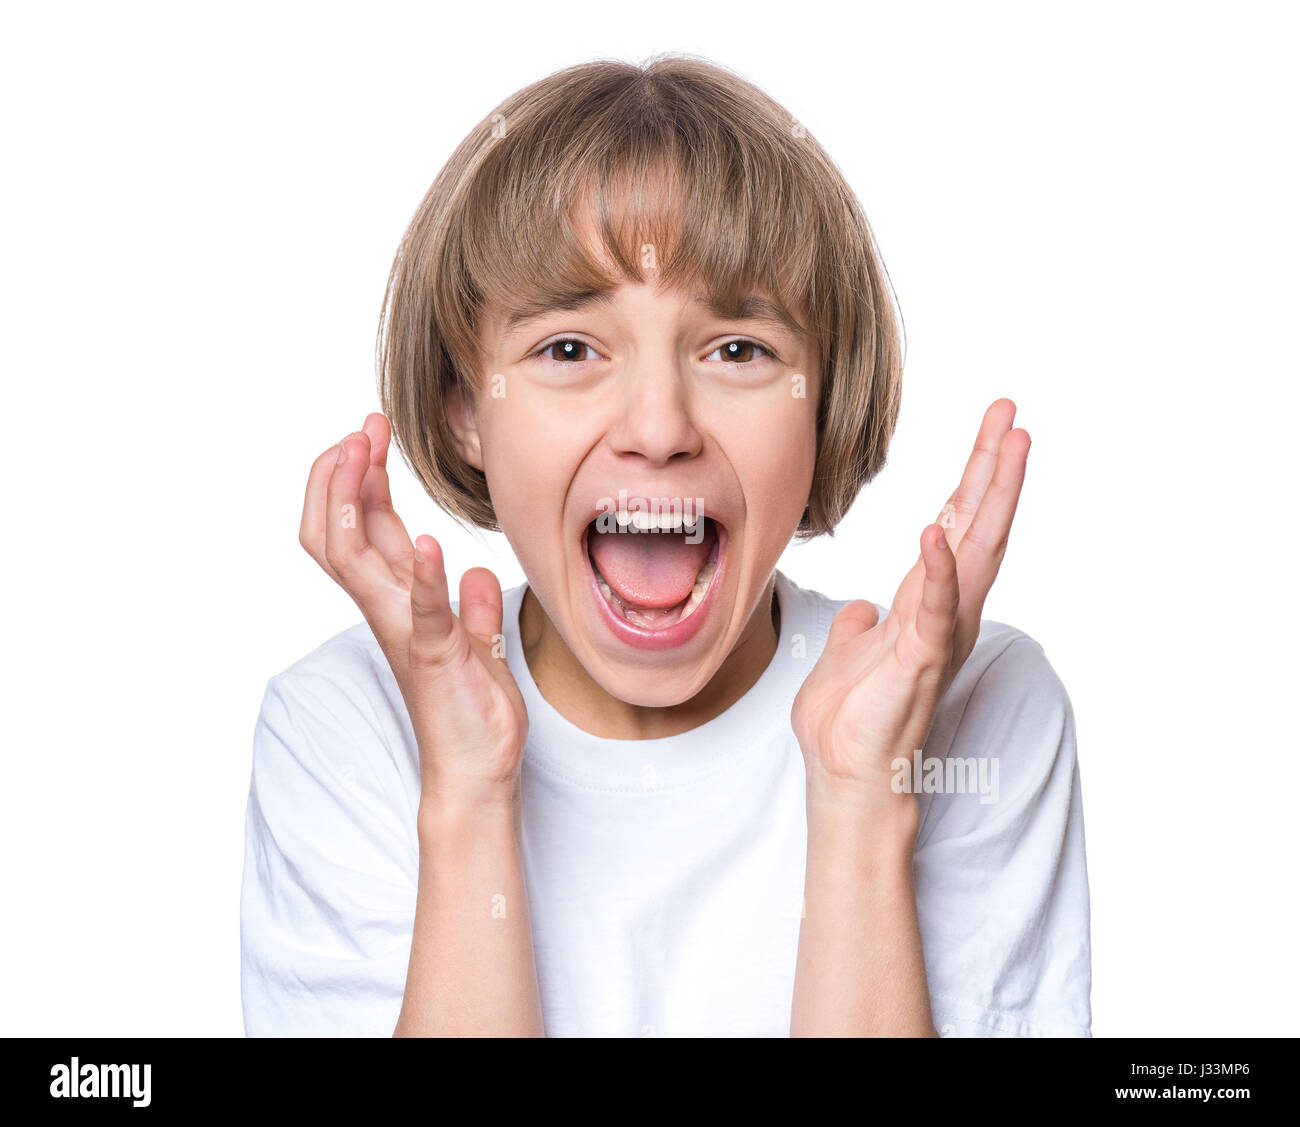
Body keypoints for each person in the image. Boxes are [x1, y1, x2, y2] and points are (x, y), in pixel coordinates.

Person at [240, 55, 1091, 1037]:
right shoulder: (344, 729)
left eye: (737, 349)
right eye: (568, 349)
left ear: (823, 404)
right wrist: (468, 794)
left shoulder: (976, 710)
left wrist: (862, 806)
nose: (657, 424)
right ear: (466, 411)